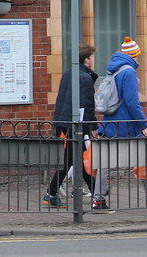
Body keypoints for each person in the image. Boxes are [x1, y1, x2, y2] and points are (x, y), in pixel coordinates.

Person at [92, 36, 147, 211]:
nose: (139, 59)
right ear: (133, 55)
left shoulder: (114, 69)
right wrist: (144, 125)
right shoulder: (128, 72)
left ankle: (98, 200)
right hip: (126, 125)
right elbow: (132, 102)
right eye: (138, 55)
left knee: (105, 162)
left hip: (110, 123)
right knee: (143, 159)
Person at [42, 44, 99, 208]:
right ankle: (51, 193)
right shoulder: (85, 77)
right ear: (87, 59)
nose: (93, 59)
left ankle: (97, 193)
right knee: (68, 161)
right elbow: (86, 106)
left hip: (64, 122)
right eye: (92, 57)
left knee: (77, 160)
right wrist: (92, 128)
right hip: (75, 126)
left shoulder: (68, 74)